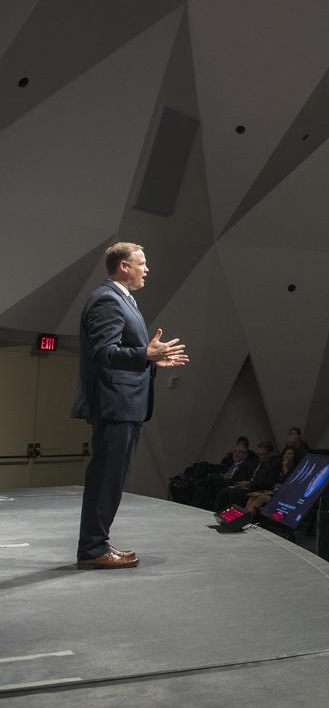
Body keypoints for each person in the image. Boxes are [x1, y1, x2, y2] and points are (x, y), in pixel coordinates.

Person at [72, 242, 188, 569]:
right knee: (106, 479)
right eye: (142, 263)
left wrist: (151, 363)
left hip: (125, 404)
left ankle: (97, 544)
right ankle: (93, 549)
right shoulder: (108, 300)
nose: (146, 269)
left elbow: (119, 354)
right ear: (124, 266)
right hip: (116, 405)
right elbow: (103, 353)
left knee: (111, 479)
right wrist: (146, 355)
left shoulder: (121, 300)